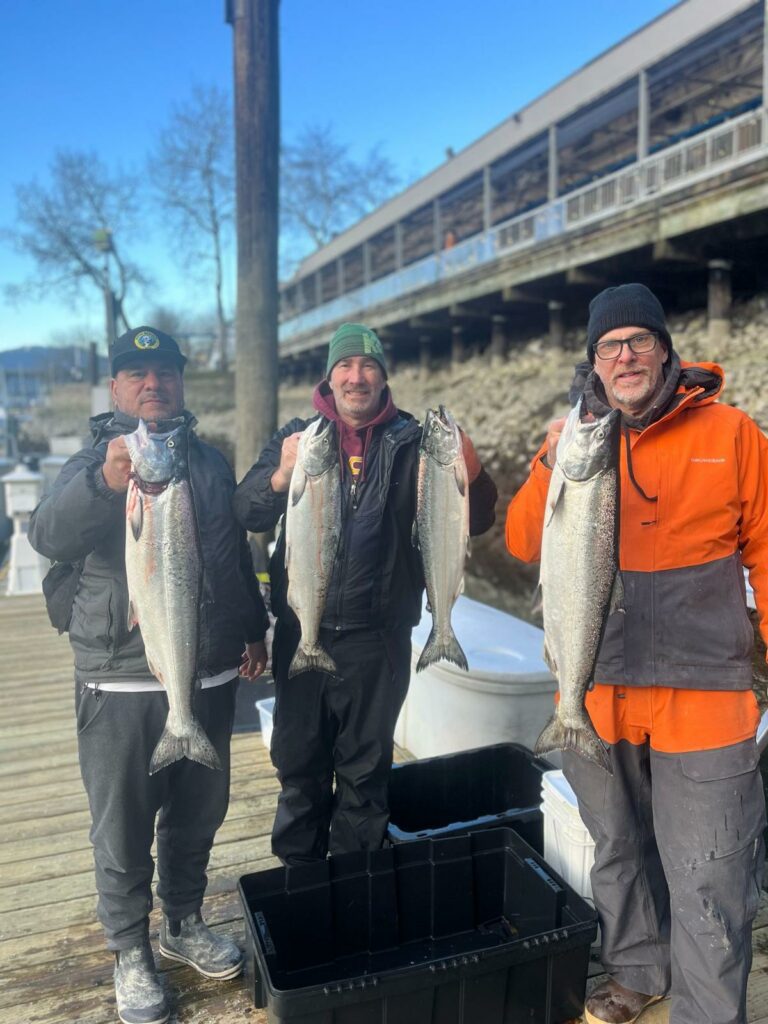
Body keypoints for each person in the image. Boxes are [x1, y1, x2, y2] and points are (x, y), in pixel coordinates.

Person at [506, 283, 767, 1024]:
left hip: (706, 694)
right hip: (597, 690)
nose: (624, 357)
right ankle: (638, 973)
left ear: (664, 349)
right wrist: (548, 463)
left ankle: (709, 1013)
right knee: (616, 849)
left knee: (709, 871)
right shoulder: (577, 440)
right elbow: (525, 541)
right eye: (608, 346)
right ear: (593, 362)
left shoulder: (733, 433)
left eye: (637, 341)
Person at [29, 326, 269, 1024]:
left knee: (200, 815)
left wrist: (253, 627)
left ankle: (183, 920)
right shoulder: (89, 463)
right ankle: (129, 948)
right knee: (123, 827)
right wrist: (106, 486)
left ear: (181, 383)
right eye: (136, 374)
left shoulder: (211, 464)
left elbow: (229, 555)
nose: (152, 383)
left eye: (164, 371)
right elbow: (48, 535)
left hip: (211, 673)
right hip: (120, 679)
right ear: (115, 389)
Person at [233, 322, 498, 865]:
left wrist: (471, 470)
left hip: (378, 641)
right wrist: (280, 477)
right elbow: (246, 511)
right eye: (345, 367)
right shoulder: (299, 437)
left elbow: (478, 519)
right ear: (329, 378)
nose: (357, 377)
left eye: (368, 366)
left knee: (365, 774)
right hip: (301, 633)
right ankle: (301, 887)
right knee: (299, 769)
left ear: (383, 376)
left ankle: (355, 891)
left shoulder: (417, 440)